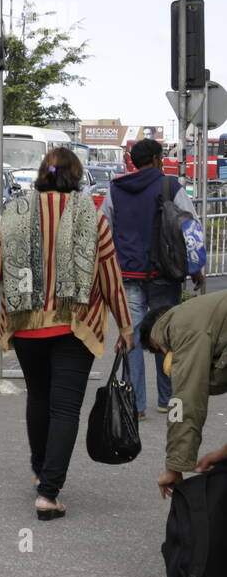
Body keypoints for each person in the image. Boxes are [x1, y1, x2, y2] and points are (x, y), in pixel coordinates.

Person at [0, 147, 132, 520]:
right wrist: (126, 326)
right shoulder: (91, 215)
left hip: (25, 324)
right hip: (75, 325)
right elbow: (110, 276)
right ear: (76, 174)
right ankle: (49, 493)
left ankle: (40, 473)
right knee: (64, 408)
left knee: (38, 398)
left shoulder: (14, 214)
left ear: (42, 173)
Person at [100, 138, 204, 419]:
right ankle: (167, 398)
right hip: (164, 272)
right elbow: (190, 229)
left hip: (128, 273)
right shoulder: (170, 187)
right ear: (158, 159)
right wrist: (196, 268)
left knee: (131, 335)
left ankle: (135, 404)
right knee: (166, 332)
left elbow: (104, 230)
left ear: (132, 161)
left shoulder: (115, 190)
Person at [140, 293, 227, 498]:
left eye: (160, 350)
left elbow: (186, 402)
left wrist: (174, 467)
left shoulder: (179, 328)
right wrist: (223, 454)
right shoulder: (206, 314)